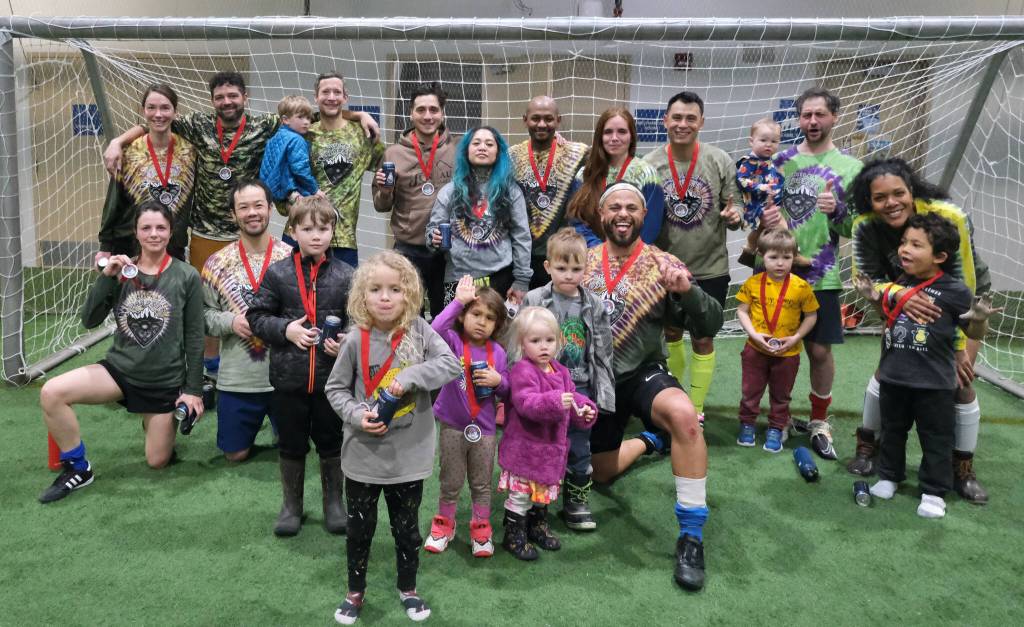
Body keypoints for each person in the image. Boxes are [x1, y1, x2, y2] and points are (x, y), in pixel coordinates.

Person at [104, 72, 376, 377]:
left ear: (245, 97)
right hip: (206, 231)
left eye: (233, 96)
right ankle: (208, 368)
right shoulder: (198, 124)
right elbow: (156, 121)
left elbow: (317, 114)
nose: (227, 102)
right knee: (205, 301)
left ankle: (262, 367)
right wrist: (118, 141)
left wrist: (358, 114)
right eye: (220, 97)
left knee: (254, 298)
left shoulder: (264, 124)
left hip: (249, 231)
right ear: (212, 101)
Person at [581, 182, 723, 591]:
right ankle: (649, 441)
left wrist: (687, 292)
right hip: (595, 382)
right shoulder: (582, 261)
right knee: (599, 473)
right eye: (614, 207)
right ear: (602, 215)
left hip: (642, 373)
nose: (623, 214)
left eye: (632, 207)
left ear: (645, 215)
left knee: (683, 415)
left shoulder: (665, 263)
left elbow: (710, 324)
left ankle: (691, 537)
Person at [324, 251, 461, 625]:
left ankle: (408, 588)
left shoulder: (419, 330)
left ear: (410, 294)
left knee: (407, 530)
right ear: (362, 296)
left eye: (395, 289)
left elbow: (450, 365)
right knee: (359, 530)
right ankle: (355, 591)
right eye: (376, 289)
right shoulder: (356, 339)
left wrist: (411, 376)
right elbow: (335, 389)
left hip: (408, 457)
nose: (385, 297)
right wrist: (357, 416)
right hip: (363, 455)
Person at [38, 201, 204, 503]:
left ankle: (154, 421)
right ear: (136, 232)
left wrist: (193, 390)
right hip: (119, 372)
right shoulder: (122, 272)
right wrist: (107, 278)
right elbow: (89, 320)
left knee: (157, 461)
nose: (154, 234)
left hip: (162, 381)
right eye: (146, 228)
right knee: (52, 392)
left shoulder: (187, 275)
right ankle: (78, 467)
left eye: (161, 228)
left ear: (171, 232)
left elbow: (194, 336)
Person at [848, 157, 993, 503]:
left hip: (960, 296)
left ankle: (962, 468)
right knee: (889, 372)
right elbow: (865, 280)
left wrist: (958, 350)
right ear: (869, 201)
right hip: (899, 291)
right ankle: (869, 447)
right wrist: (899, 295)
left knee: (960, 382)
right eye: (880, 197)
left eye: (898, 193)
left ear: (911, 191)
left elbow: (964, 289)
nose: (891, 203)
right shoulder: (865, 227)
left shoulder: (950, 218)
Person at [246, 196, 354, 537]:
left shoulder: (347, 275)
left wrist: (347, 341)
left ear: (333, 231)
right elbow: (256, 316)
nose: (316, 235)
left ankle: (334, 504)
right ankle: (291, 506)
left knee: (331, 442)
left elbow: (359, 321)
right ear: (293, 231)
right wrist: (286, 330)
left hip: (331, 382)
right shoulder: (277, 273)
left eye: (323, 228)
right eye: (307, 229)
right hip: (288, 381)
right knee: (291, 444)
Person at [768, 86, 862, 460]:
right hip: (779, 272)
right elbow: (760, 213)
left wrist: (838, 210)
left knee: (819, 350)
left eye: (819, 114)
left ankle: (820, 421)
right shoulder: (781, 162)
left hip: (823, 272)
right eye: (806, 114)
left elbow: (855, 227)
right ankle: (779, 417)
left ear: (834, 117)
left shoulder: (851, 168)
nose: (812, 121)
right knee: (777, 348)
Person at [642, 91, 742, 424]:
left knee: (703, 338)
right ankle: (676, 399)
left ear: (701, 122)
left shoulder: (720, 160)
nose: (682, 124)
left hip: (710, 269)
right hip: (663, 269)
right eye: (677, 117)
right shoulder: (648, 165)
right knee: (670, 335)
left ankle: (695, 408)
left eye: (690, 118)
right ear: (665, 121)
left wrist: (735, 216)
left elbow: (737, 207)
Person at [522, 227, 614, 530]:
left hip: (580, 387)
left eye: (576, 269)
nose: (569, 275)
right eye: (562, 268)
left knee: (579, 446)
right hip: (544, 389)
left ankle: (576, 502)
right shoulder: (535, 299)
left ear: (586, 268)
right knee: (543, 444)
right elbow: (519, 346)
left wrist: (603, 394)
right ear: (548, 266)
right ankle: (538, 503)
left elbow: (603, 351)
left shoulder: (594, 305)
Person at [201, 179, 293, 462]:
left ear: (270, 209)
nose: (252, 212)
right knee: (235, 454)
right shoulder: (216, 263)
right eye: (243, 207)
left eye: (258, 205)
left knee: (293, 447)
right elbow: (203, 316)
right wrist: (230, 322)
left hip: (285, 378)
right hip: (239, 379)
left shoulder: (291, 258)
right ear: (233, 214)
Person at [497, 306, 597, 560]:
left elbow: (571, 398)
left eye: (549, 340)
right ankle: (514, 534)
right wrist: (555, 401)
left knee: (541, 496)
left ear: (558, 341)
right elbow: (526, 402)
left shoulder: (560, 371)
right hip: (526, 450)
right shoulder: (522, 370)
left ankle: (537, 525)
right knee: (521, 495)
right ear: (522, 343)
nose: (544, 346)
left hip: (550, 451)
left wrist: (584, 410)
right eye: (535, 341)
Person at [423, 276, 510, 557]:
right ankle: (443, 525)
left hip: (484, 431)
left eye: (490, 318)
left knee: (481, 483)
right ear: (462, 316)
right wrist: (458, 301)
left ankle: (480, 529)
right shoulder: (452, 342)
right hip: (452, 426)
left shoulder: (499, 352)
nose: (482, 322)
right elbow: (434, 329)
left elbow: (508, 390)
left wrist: (499, 381)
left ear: (497, 324)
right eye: (476, 314)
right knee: (450, 480)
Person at [373, 81, 457, 318]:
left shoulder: (458, 149)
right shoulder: (393, 153)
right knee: (407, 317)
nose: (427, 116)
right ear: (411, 113)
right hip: (408, 249)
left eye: (433, 109)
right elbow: (381, 206)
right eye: (421, 110)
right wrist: (385, 191)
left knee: (446, 318)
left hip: (447, 251)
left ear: (442, 113)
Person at [425, 126, 532, 306]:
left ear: (498, 152)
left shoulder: (511, 192)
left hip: (500, 278)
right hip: (458, 279)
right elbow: (432, 232)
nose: (482, 147)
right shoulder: (450, 191)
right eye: (476, 143)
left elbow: (522, 237)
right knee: (456, 325)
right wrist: (433, 239)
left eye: (489, 144)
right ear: (466, 150)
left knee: (495, 325)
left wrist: (522, 280)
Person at [734, 229, 819, 452]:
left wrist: (797, 337)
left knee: (782, 395)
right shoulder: (753, 283)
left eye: (786, 257)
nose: (780, 263)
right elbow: (741, 311)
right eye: (773, 257)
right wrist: (754, 334)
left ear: (794, 257)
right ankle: (747, 424)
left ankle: (776, 427)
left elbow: (811, 316)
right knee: (750, 391)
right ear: (762, 256)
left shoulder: (801, 287)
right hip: (755, 350)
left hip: (788, 353)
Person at [97, 84, 196, 264]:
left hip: (173, 248)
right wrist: (105, 246)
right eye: (151, 107)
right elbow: (113, 202)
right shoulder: (127, 152)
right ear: (143, 110)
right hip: (129, 248)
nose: (158, 114)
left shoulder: (190, 152)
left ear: (175, 112)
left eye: (165, 108)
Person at [508, 95, 591, 288]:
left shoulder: (577, 154)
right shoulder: (511, 156)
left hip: (562, 258)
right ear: (525, 120)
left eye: (548, 119)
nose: (542, 124)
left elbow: (605, 159)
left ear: (558, 120)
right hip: (521, 257)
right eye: (535, 118)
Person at [308, 72, 385, 268]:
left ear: (345, 97)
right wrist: (358, 113)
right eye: (325, 92)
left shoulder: (362, 134)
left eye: (337, 92)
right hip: (304, 233)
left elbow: (388, 162)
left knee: (346, 289)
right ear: (316, 97)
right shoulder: (305, 133)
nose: (331, 97)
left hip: (344, 239)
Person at [567, 107, 664, 248]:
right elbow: (577, 221)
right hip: (594, 254)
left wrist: (628, 252)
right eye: (608, 132)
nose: (614, 138)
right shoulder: (584, 174)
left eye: (622, 132)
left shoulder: (647, 173)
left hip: (635, 255)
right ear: (600, 136)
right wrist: (600, 249)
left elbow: (651, 225)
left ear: (632, 136)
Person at [259, 94, 321, 206]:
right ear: (286, 120)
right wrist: (315, 189)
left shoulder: (275, 137)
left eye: (308, 118)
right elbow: (300, 169)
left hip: (269, 186)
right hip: (289, 190)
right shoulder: (297, 139)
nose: (306, 122)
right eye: (300, 117)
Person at [736, 117, 785, 229]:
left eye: (774, 141)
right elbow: (741, 179)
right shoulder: (749, 162)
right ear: (751, 141)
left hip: (773, 203)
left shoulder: (772, 160)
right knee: (778, 228)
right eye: (763, 140)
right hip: (758, 206)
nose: (769, 144)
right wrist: (759, 186)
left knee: (779, 230)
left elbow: (776, 179)